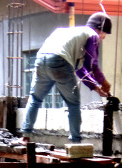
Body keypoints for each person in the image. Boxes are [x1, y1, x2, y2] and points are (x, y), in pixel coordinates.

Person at [18, 12, 113, 144]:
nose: (103, 38)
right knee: (73, 103)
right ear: (99, 29)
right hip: (60, 61)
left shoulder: (67, 33)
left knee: (35, 98)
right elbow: (92, 64)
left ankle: (25, 136)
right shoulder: (92, 35)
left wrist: (95, 87)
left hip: (41, 59)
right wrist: (104, 82)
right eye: (105, 34)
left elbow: (79, 69)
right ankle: (75, 142)